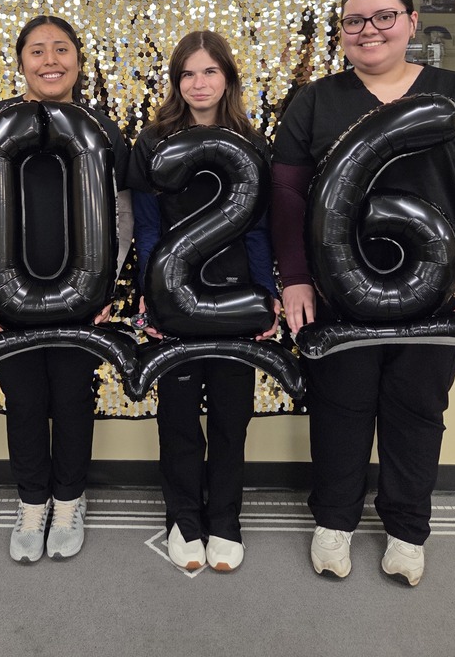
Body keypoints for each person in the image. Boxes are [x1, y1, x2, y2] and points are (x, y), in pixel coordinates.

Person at [271, 0, 455, 586]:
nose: (369, 31)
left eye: (384, 16)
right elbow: (286, 193)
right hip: (339, 292)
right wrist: (296, 276)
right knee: (340, 405)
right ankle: (333, 522)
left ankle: (408, 530)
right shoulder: (316, 101)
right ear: (341, 32)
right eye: (354, 21)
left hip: (439, 293)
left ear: (411, 21)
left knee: (417, 407)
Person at [0, 15, 132, 563]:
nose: (50, 60)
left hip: (80, 299)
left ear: (78, 58)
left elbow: (123, 214)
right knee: (24, 400)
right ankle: (31, 502)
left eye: (62, 48)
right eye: (37, 50)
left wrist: (103, 285)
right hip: (5, 299)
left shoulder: (100, 127)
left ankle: (69, 500)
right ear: (21, 60)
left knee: (72, 398)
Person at [128, 30, 279, 573]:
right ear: (176, 82)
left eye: (210, 71)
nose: (199, 83)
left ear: (228, 77)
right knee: (178, 417)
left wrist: (267, 295)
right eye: (188, 73)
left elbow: (259, 228)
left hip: (236, 296)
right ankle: (183, 520)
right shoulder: (152, 143)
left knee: (231, 419)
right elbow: (147, 228)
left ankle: (225, 520)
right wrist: (150, 293)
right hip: (175, 300)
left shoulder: (252, 142)